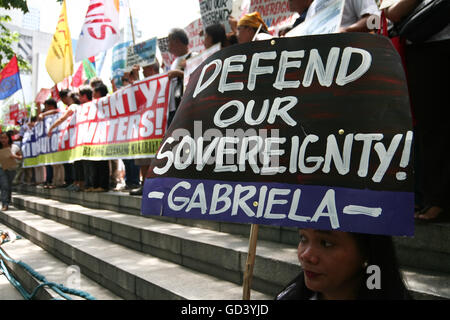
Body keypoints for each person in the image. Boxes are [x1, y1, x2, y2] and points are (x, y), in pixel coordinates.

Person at [383, 0, 450, 222]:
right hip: (424, 47)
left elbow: (394, 11)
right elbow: (391, 12)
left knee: (433, 126)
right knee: (429, 126)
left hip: (432, 50)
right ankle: (433, 198)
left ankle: (438, 200)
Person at [276, 229, 411, 300]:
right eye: (303, 238)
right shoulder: (288, 296)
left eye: (326, 243)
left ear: (366, 250)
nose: (305, 255)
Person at [167, 28, 196, 125]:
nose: (168, 46)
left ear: (177, 42)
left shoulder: (194, 56)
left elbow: (198, 78)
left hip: (188, 107)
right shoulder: (174, 63)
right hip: (174, 109)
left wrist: (179, 74)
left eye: (170, 42)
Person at [0, 131, 23, 211]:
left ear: (9, 138)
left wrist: (15, 156)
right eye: (1, 138)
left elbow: (21, 157)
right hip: (1, 169)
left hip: (12, 168)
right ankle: (5, 204)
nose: (3, 140)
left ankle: (7, 200)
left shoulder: (14, 147)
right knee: (4, 185)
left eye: (5, 138)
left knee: (8, 185)